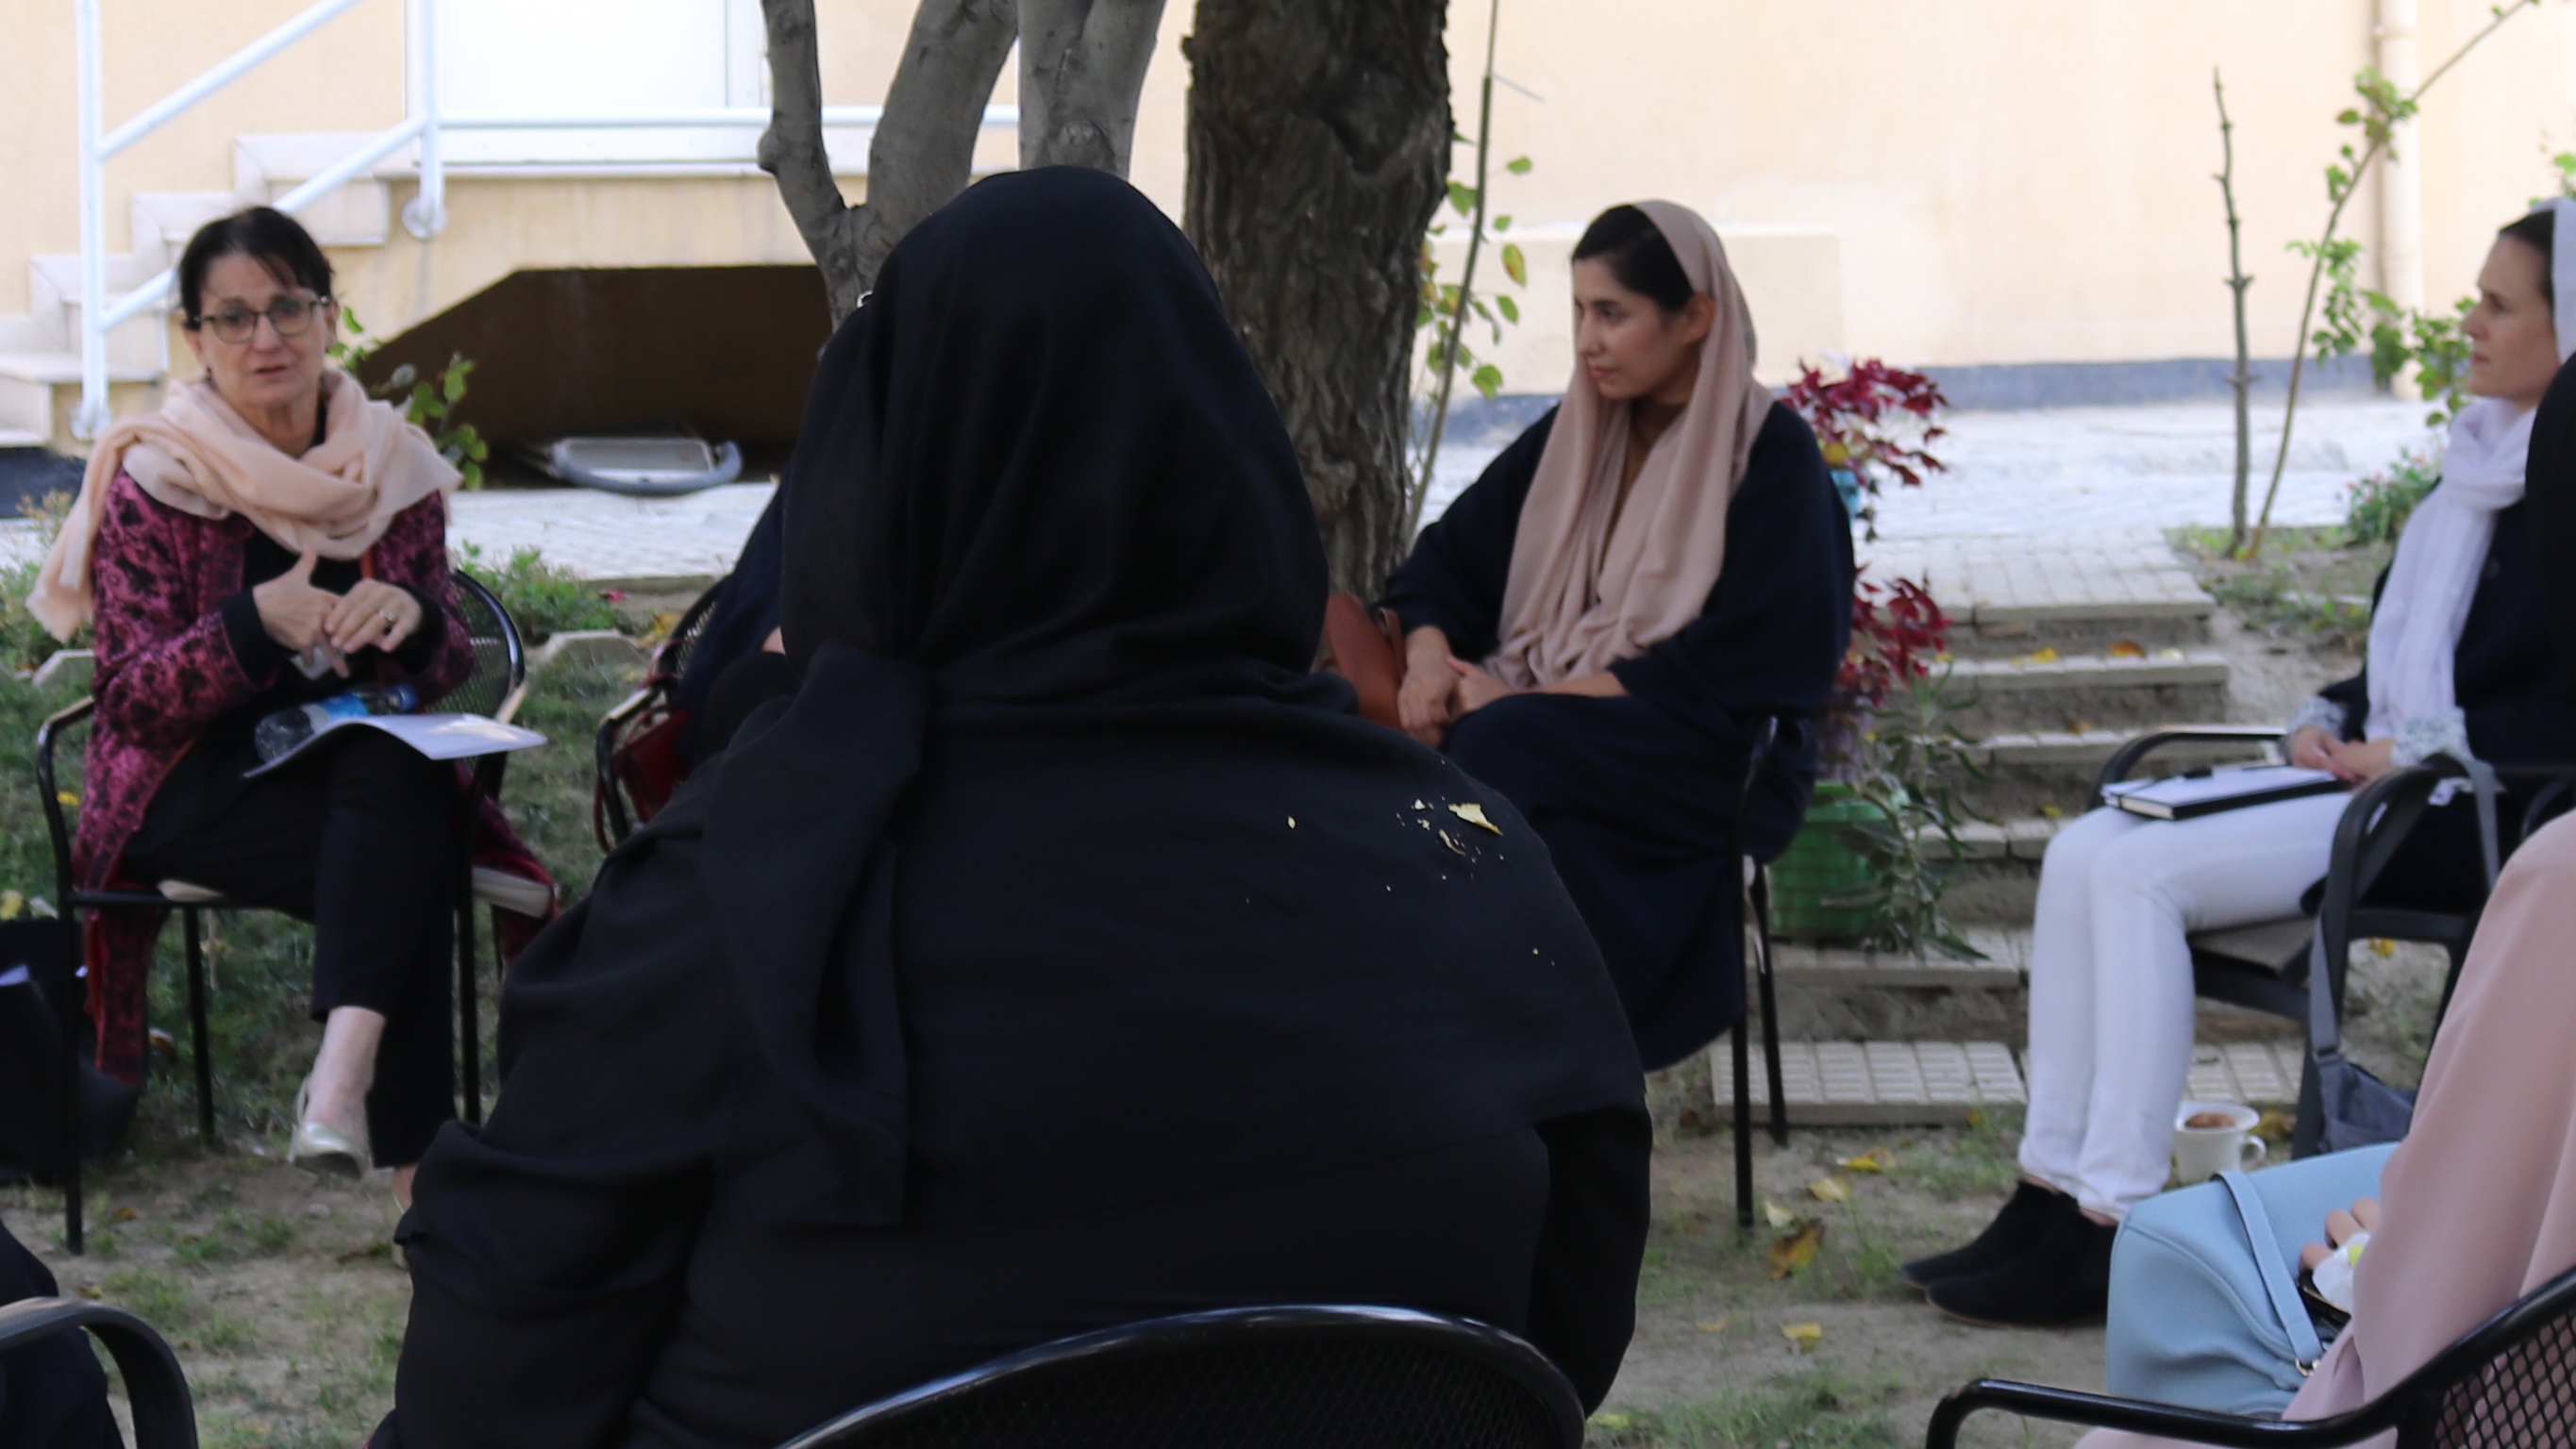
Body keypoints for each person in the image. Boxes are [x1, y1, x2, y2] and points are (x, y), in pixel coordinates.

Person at [375, 167, 1650, 1449]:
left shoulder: (750, 895)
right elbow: (1562, 1339)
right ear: (1228, 463)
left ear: (881, 474)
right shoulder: (1465, 872)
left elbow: (485, 1391)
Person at [1906, 201, 2576, 1328]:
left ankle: (2105, 1224)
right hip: (2374, 784)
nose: (2470, 321)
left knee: (2135, 874)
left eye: (2500, 304)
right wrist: (2328, 717)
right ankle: (2044, 1192)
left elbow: (2553, 711)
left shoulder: (2555, 487)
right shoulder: (2473, 470)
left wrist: (2402, 748)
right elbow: (2401, 665)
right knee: (2085, 850)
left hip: (2464, 814)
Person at [26, 207, 550, 1206]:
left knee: (393, 775)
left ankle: (343, 1083)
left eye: (286, 308)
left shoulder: (388, 463)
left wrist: (411, 617)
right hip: (190, 792)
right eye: (233, 318)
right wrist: (251, 623)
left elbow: (440, 661)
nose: (264, 338)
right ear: (195, 338)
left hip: (350, 775)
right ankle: (412, 1161)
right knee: (414, 843)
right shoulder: (155, 477)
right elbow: (129, 701)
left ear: (326, 316)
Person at [1379, 201, 1853, 1070]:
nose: (1588, 340)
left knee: (1502, 741)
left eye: (1613, 313)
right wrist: (1425, 665)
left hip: (1716, 752)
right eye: (1580, 312)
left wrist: (1527, 697)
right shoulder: (1574, 440)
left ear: (1696, 317)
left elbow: (1741, 669)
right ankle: (1489, 1021)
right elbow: (1440, 567)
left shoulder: (1771, 462)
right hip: (1563, 726)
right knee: (1449, 740)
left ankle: (1534, 1034)